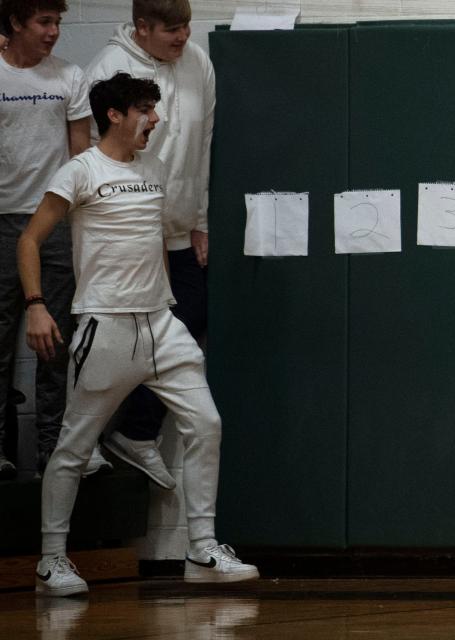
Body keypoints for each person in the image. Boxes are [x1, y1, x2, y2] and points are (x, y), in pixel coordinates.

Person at [18, 72, 258, 597]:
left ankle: (202, 548)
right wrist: (36, 306)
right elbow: (30, 241)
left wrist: (168, 307)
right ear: (115, 115)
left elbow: (152, 244)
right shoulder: (80, 171)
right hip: (105, 327)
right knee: (74, 447)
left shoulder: (153, 168)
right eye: (146, 109)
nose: (155, 118)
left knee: (207, 424)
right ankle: (51, 562)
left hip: (161, 326)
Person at [83, 0, 214, 490]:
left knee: (191, 317)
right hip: (130, 231)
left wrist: (198, 220)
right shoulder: (109, 69)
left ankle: (136, 433)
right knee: (120, 338)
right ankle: (86, 440)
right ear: (142, 27)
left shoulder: (198, 61)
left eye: (186, 28)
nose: (182, 38)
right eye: (172, 30)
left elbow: (203, 143)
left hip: (179, 227)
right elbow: (93, 160)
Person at [0, 0, 112, 479]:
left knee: (57, 345)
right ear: (15, 24)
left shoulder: (69, 77)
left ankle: (55, 451)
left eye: (58, 23)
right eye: (44, 23)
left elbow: (80, 154)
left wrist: (83, 221)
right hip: (3, 221)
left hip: (56, 221)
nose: (53, 33)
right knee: (2, 341)